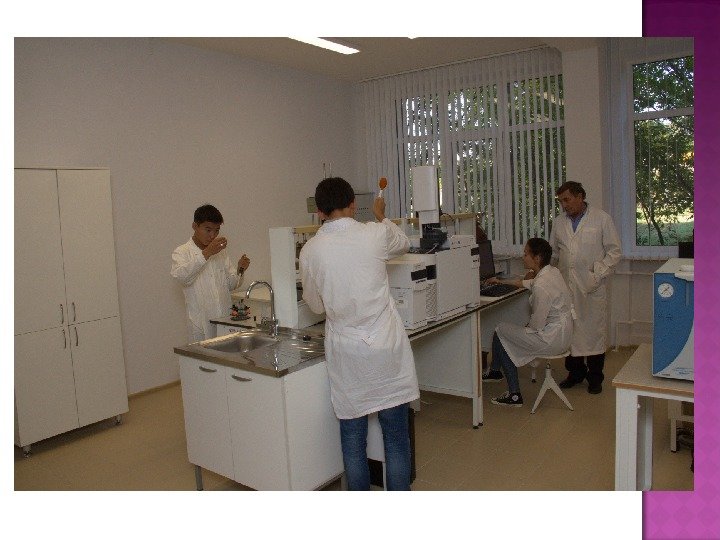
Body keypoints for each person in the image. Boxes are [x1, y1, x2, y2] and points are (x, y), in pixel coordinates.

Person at [299, 177, 419, 491]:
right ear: (353, 204)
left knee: (353, 441)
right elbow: (403, 242)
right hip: (386, 349)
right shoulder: (374, 234)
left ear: (320, 212)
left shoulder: (310, 250)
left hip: (347, 353)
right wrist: (381, 215)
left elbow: (314, 304)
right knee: (396, 439)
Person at [482, 238, 573, 407]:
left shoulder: (541, 286)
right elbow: (528, 282)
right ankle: (495, 371)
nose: (523, 257)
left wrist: (522, 330)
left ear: (537, 258)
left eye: (525, 254)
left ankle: (514, 395)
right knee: (504, 330)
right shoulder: (552, 272)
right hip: (564, 335)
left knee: (501, 331)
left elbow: (536, 325)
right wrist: (501, 281)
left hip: (550, 339)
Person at [549, 181, 621, 394]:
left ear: (580, 196)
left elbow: (614, 252)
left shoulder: (601, 219)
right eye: (561, 201)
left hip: (590, 288)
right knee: (570, 332)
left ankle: (595, 378)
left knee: (593, 335)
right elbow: (554, 253)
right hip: (567, 287)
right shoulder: (559, 222)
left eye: (567, 200)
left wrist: (596, 275)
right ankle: (575, 374)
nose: (564, 205)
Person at [171, 204, 251, 342]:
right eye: (208, 230)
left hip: (224, 322)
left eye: (217, 230)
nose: (212, 236)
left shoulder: (221, 253)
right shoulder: (182, 252)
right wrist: (207, 253)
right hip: (200, 325)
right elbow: (182, 277)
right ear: (195, 226)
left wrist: (240, 269)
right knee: (203, 355)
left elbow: (231, 285)